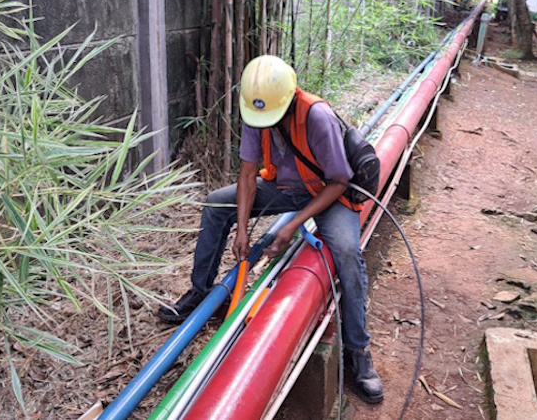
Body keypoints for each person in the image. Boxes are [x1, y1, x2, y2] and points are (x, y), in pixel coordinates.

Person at [158, 55, 383, 403]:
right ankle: (200, 292)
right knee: (217, 205)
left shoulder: (316, 116)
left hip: (328, 193)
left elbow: (340, 179)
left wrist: (292, 224)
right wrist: (243, 229)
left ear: (290, 98)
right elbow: (248, 173)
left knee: (347, 254)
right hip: (286, 187)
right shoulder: (257, 112)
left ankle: (358, 351)